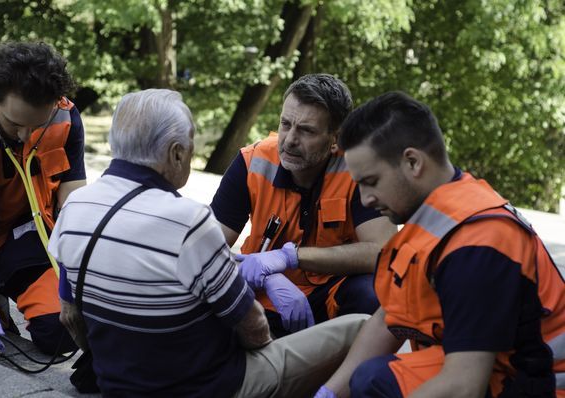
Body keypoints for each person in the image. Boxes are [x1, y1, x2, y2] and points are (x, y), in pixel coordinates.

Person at [48, 89, 367, 397]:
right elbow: (254, 330)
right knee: (365, 328)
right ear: (176, 153)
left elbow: (70, 315)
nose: (290, 138)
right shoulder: (189, 220)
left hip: (118, 381)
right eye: (189, 148)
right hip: (210, 385)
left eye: (306, 130)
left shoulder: (75, 206)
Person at [315, 91, 565, 397]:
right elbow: (387, 319)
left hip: (536, 386)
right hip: (499, 370)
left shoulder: (479, 245)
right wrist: (328, 393)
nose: (365, 199)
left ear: (412, 162)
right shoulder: (435, 214)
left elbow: (462, 387)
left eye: (371, 182)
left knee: (376, 380)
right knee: (370, 378)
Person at [210, 74, 396, 336]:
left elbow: (384, 252)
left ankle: (347, 375)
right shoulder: (252, 161)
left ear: (337, 139)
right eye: (286, 124)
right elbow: (205, 250)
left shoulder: (359, 169)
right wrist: (265, 274)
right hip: (262, 296)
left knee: (375, 294)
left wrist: (290, 258)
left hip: (330, 297)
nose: (289, 140)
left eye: (306, 130)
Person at [0, 41, 85, 355]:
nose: (26, 137)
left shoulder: (66, 118)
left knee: (63, 331)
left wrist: (79, 287)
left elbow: (75, 208)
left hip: (23, 238)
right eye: (15, 124)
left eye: (38, 126)